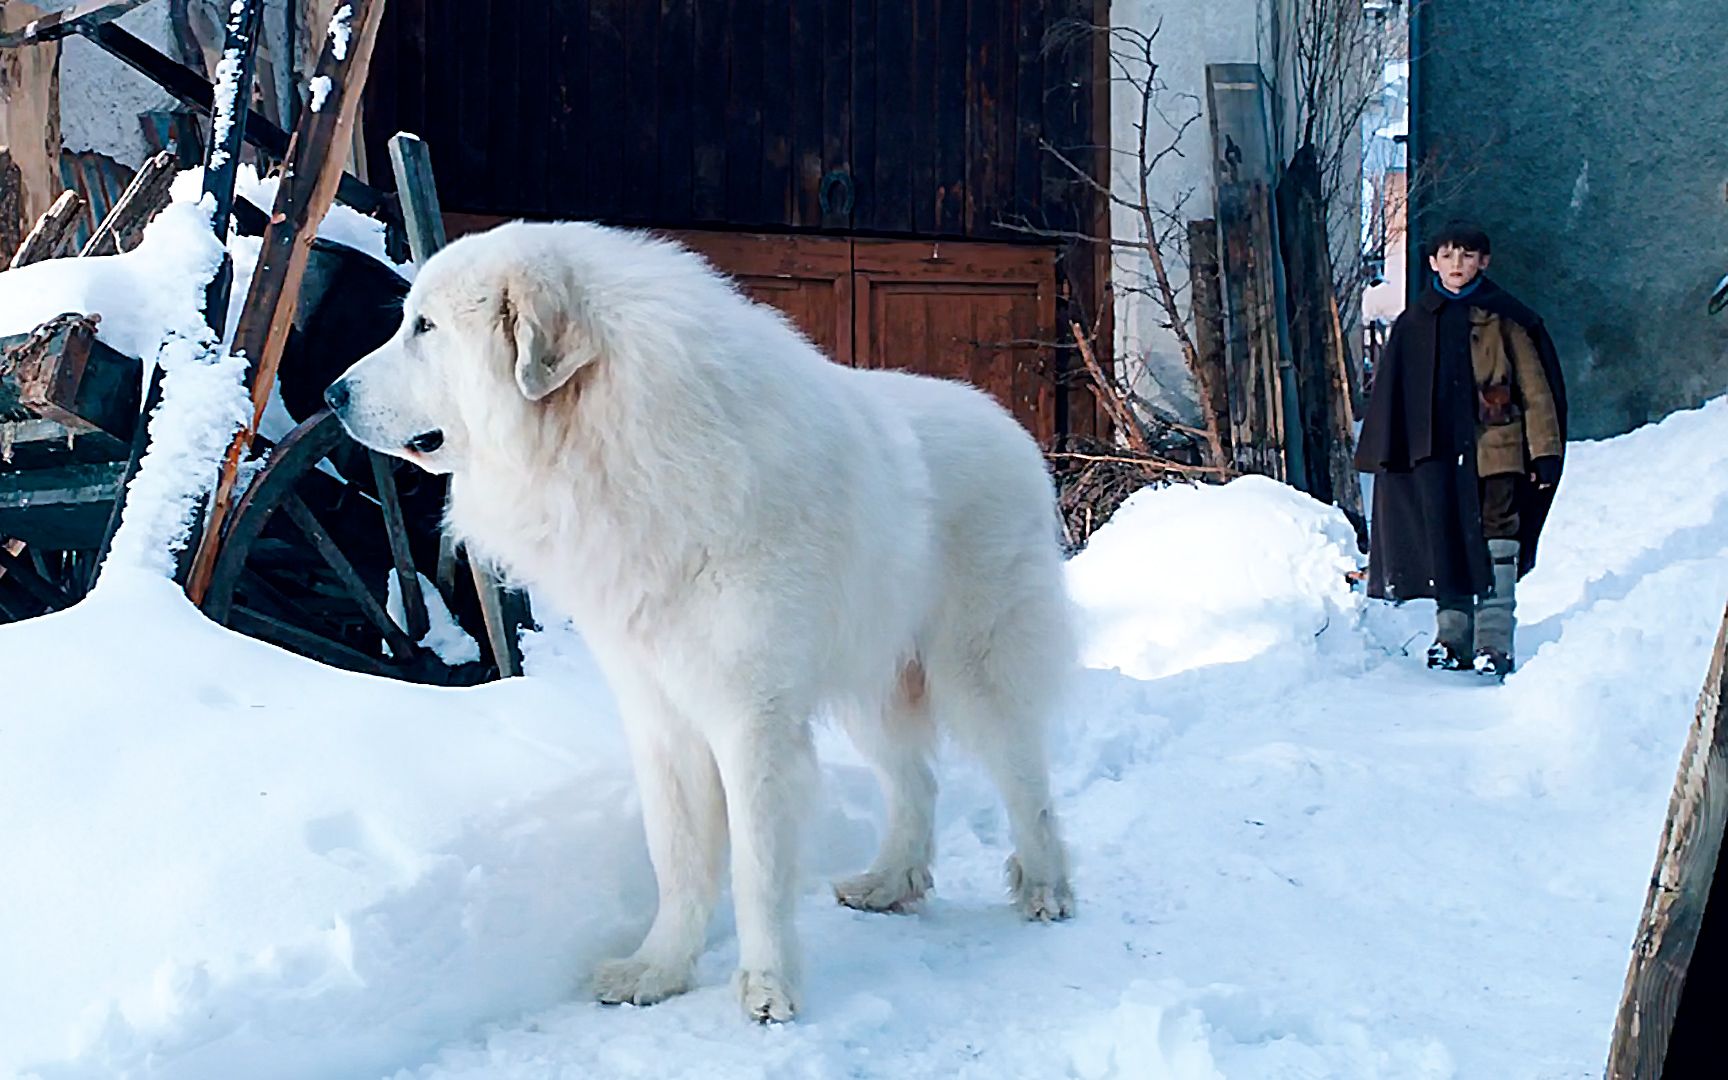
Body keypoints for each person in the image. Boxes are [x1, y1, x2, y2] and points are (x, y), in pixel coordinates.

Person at [1354, 221, 1568, 678]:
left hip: (1497, 451)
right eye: (1447, 256)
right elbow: (1395, 393)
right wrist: (1392, 454)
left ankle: (1494, 642)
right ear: (1432, 262)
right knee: (1444, 539)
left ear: (1483, 262)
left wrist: (1544, 451)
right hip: (1436, 455)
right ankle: (1452, 638)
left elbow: (1536, 389)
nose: (1456, 265)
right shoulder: (1415, 322)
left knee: (1498, 536)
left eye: (1467, 256)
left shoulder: (1506, 319)